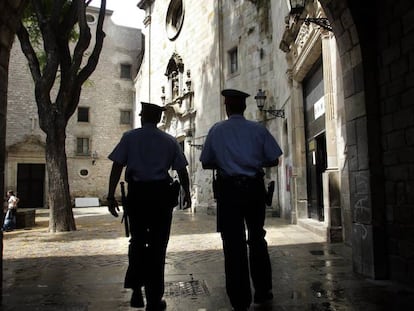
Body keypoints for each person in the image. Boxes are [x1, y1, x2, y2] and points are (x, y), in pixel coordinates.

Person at [200, 89, 283, 311]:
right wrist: (253, 160)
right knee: (257, 238)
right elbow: (274, 159)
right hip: (254, 189)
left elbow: (205, 161)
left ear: (226, 107)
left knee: (233, 244)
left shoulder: (216, 130)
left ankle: (239, 299)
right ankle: (263, 291)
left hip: (229, 192)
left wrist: (225, 162)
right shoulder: (258, 129)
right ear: (244, 107)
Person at [107, 102, 191, 311]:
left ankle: (136, 288)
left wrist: (110, 195)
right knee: (158, 246)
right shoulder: (170, 141)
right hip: (161, 196)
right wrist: (187, 193)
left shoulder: (130, 138)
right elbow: (181, 170)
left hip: (137, 195)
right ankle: (155, 296)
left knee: (137, 241)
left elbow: (117, 165)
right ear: (159, 119)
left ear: (143, 117)